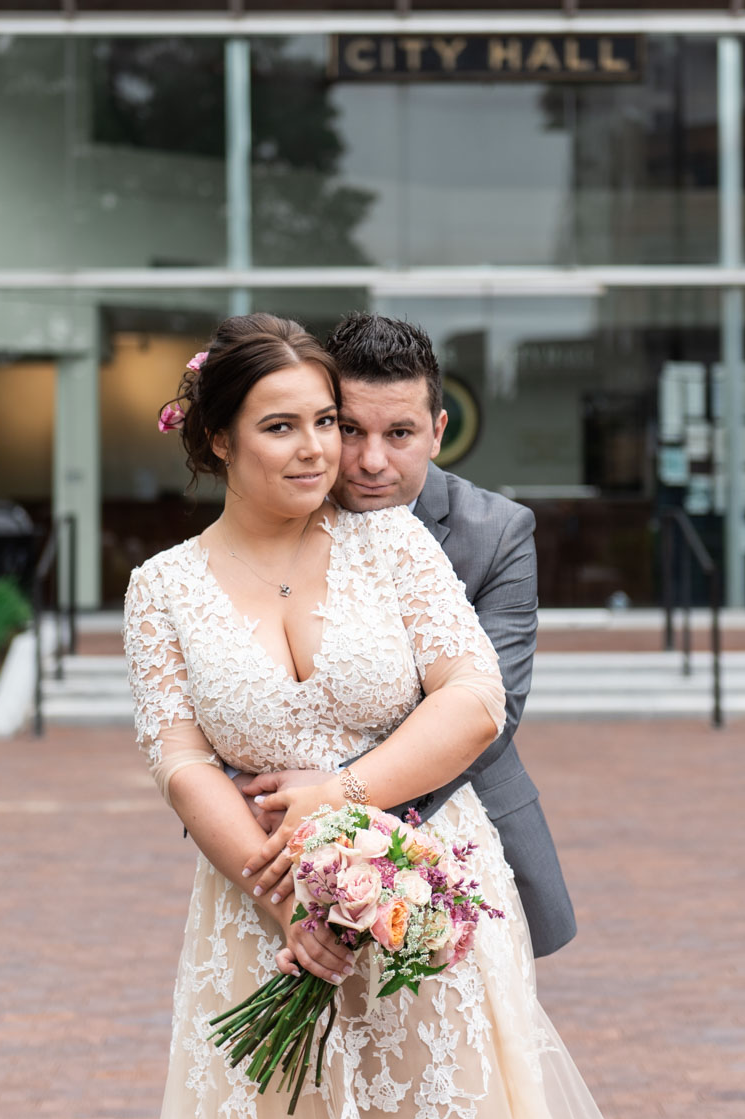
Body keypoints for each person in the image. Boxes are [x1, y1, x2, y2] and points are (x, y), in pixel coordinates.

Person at [125, 312, 639, 1119]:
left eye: (323, 421)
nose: (319, 450)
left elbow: (476, 701)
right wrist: (287, 901)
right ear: (218, 439)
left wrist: (343, 792)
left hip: (427, 898)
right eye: (282, 427)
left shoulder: (392, 541)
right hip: (261, 914)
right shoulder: (162, 587)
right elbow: (180, 763)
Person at [238, 312, 575, 961]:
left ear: (438, 431)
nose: (370, 461)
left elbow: (491, 711)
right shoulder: (270, 524)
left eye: (399, 434)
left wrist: (331, 798)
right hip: (283, 863)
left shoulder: (497, 533)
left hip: (460, 833)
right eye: (351, 430)